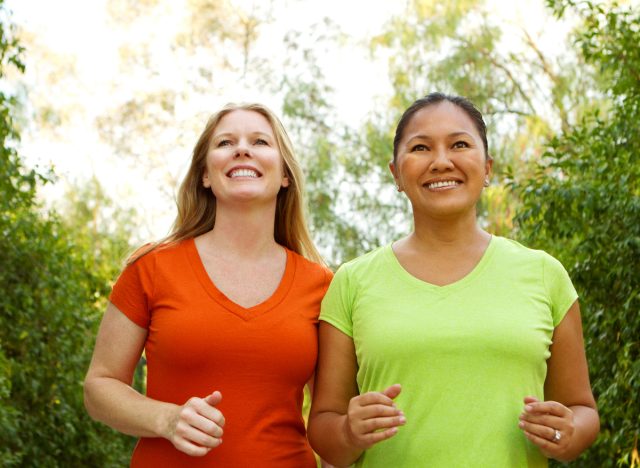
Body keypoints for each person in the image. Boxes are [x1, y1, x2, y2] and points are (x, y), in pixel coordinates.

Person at [308, 92, 600, 467]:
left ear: (488, 167)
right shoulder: (351, 282)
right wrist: (348, 432)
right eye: (420, 148)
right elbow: (323, 427)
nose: (441, 161)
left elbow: (582, 410)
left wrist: (569, 432)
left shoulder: (544, 274)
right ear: (396, 173)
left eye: (459, 144)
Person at [84, 103, 332, 467]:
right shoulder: (151, 267)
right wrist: (166, 419)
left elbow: (330, 421)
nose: (242, 149)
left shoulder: (322, 285)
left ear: (285, 176)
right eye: (225, 142)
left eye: (260, 141)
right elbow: (99, 386)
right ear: (205, 175)